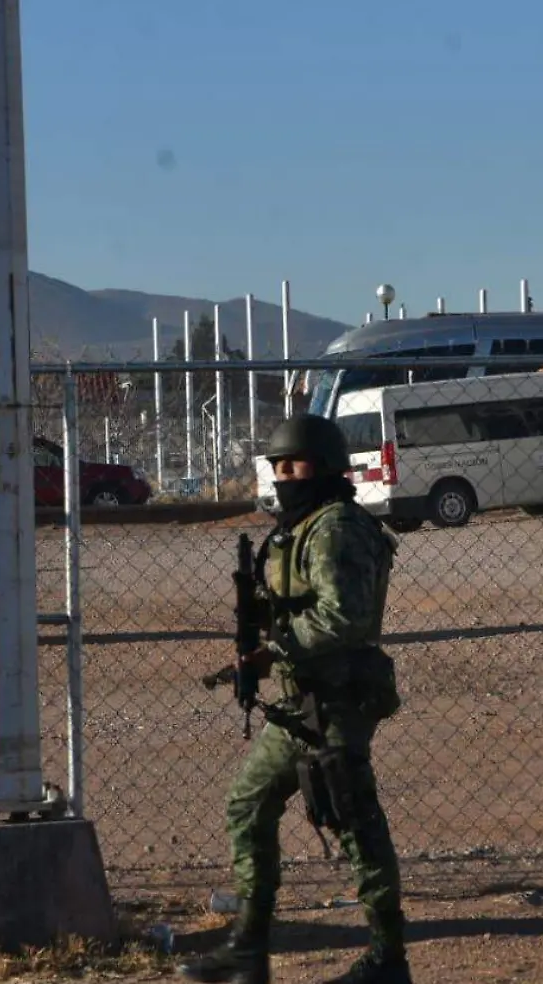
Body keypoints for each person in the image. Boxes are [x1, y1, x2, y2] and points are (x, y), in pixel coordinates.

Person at [179, 415, 411, 984]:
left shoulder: (336, 528)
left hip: (338, 700)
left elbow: (345, 617)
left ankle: (388, 959)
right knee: (248, 803)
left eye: (295, 465)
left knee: (354, 820)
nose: (285, 476)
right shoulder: (301, 525)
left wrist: (276, 648)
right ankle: (248, 947)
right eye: (278, 467)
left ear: (326, 468)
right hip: (301, 702)